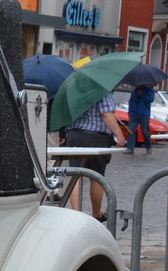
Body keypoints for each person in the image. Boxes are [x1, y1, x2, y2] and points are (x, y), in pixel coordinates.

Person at [60, 92, 120, 220]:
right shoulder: (101, 91)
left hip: (73, 135)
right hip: (95, 137)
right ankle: (96, 213)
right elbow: (106, 114)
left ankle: (75, 212)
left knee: (76, 176)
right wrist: (119, 134)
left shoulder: (73, 93)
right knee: (97, 176)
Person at [126, 82, 155, 152]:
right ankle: (130, 148)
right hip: (133, 114)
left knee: (145, 131)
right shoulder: (134, 91)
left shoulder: (148, 89)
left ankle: (148, 147)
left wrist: (143, 94)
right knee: (131, 130)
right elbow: (132, 101)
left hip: (144, 114)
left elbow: (150, 100)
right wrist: (130, 111)